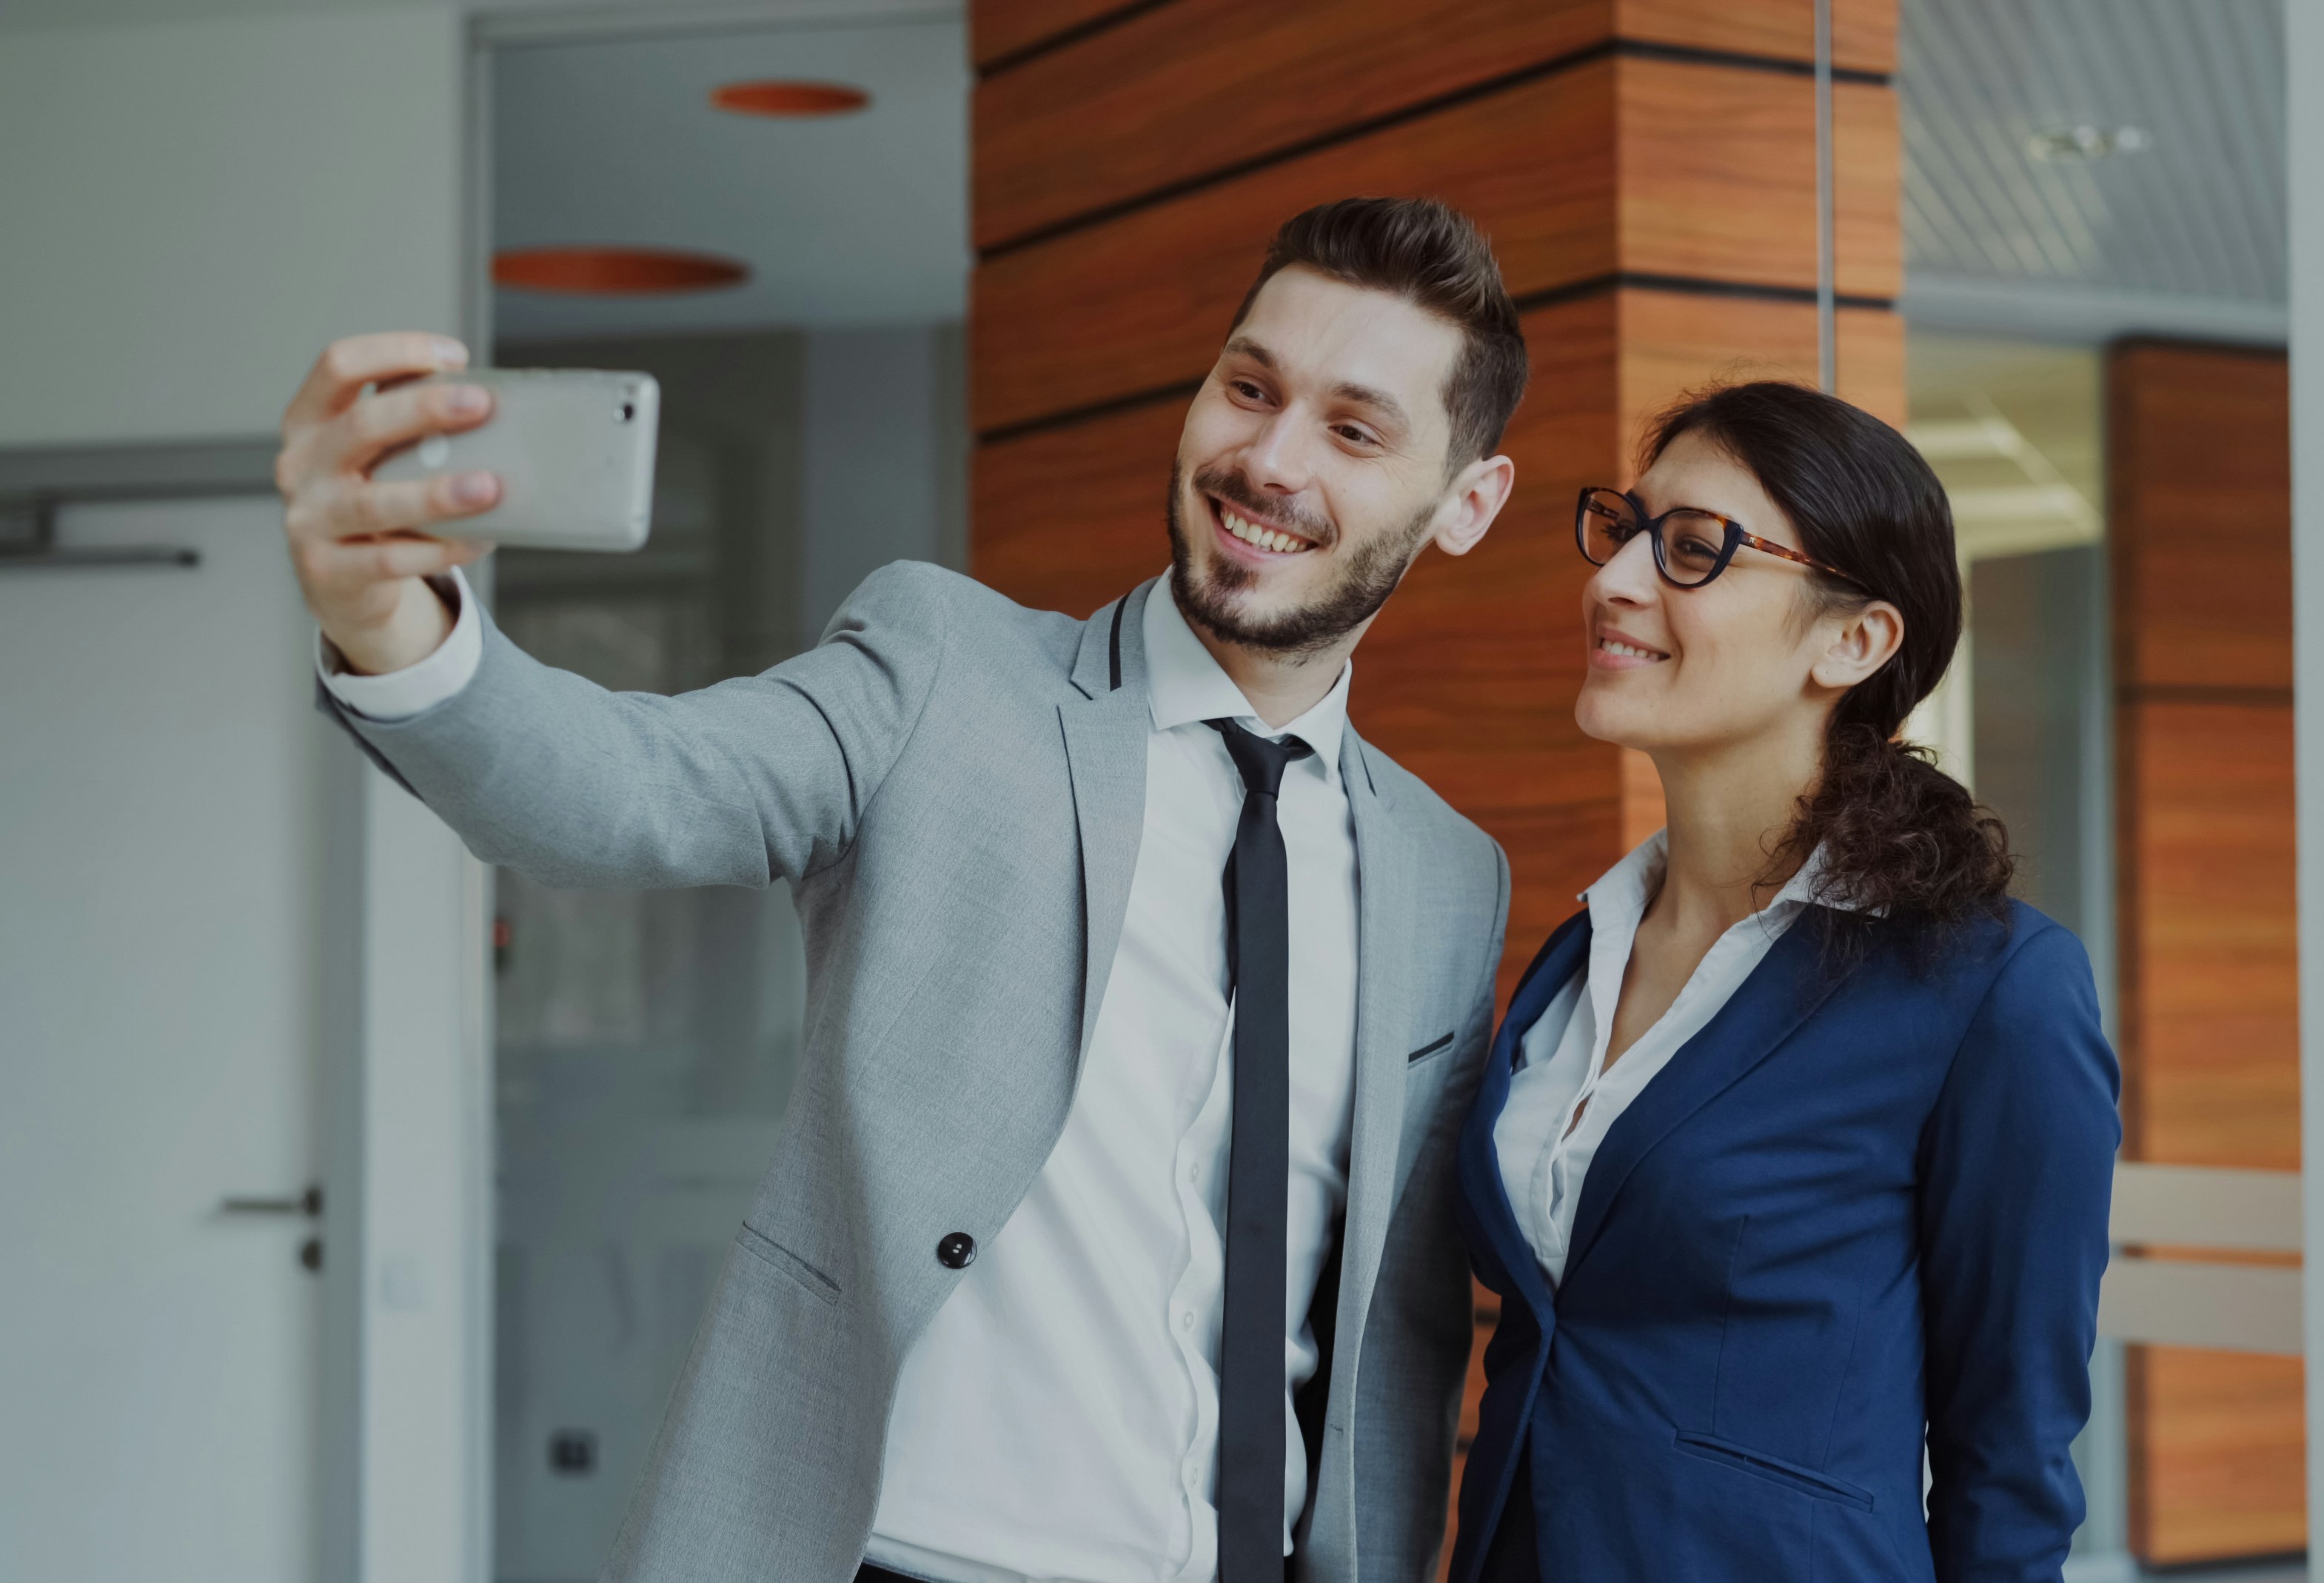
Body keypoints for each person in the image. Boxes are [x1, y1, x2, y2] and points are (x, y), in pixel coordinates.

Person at [273, 197, 1524, 1583]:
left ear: (1466, 502)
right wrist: (396, 630)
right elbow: (634, 790)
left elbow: (1399, 1331)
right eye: (1249, 385)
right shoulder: (945, 674)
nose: (1268, 458)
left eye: (1353, 429)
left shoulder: (1445, 873)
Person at [1447, 381, 2121, 1582]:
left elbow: (2010, 1461)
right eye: (1625, 528)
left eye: (1695, 549)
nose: (1614, 580)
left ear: (1854, 640)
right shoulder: (1577, 955)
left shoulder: (1994, 989)